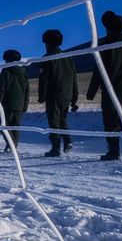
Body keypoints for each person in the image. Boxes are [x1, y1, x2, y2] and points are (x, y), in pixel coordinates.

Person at [86, 11, 122, 161]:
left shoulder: (106, 45)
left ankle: (114, 151)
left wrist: (91, 92)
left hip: (111, 88)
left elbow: (99, 69)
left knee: (110, 120)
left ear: (108, 28)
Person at [38, 29, 78, 157]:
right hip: (67, 94)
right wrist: (74, 97)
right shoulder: (68, 57)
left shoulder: (47, 58)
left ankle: (55, 148)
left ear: (47, 43)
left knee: (54, 121)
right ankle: (67, 141)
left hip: (53, 95)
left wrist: (42, 96)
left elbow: (44, 79)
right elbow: (74, 78)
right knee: (63, 119)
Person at [0, 49, 29, 152]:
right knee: (16, 126)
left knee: (3, 125)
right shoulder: (24, 72)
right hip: (20, 105)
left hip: (7, 104)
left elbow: (1, 89)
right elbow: (27, 90)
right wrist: (25, 105)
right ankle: (13, 146)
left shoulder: (6, 72)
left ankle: (12, 145)